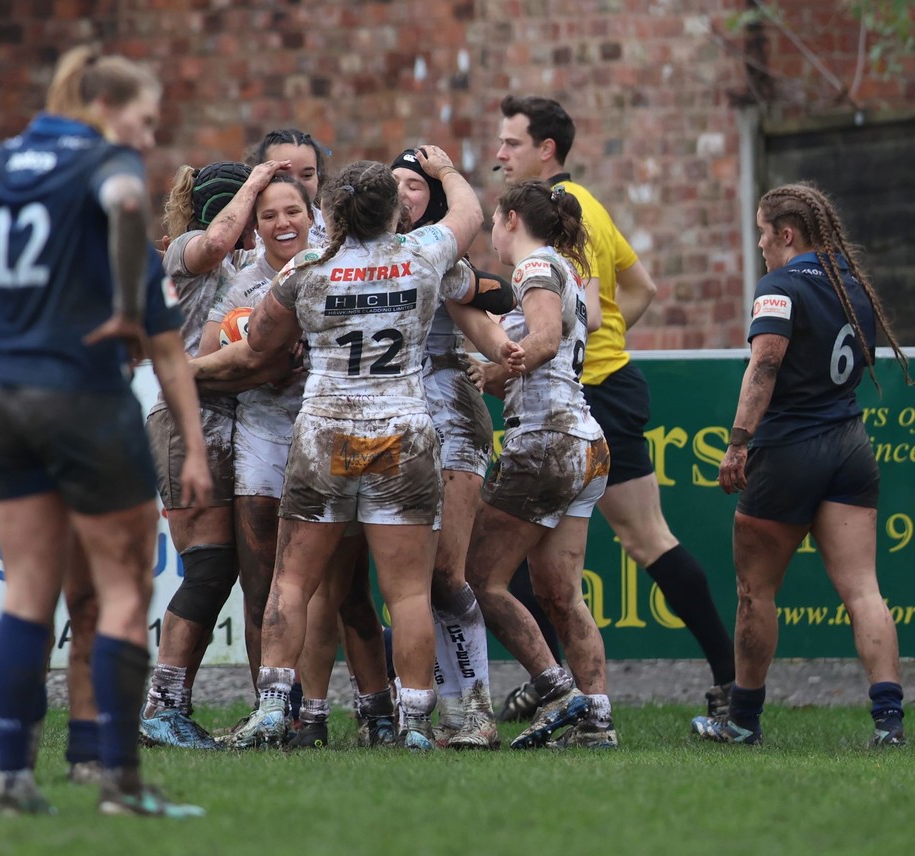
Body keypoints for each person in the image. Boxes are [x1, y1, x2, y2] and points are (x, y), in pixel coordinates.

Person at [0, 46, 208, 817]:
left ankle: (14, 777)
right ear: (106, 108)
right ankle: (122, 782)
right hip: (84, 402)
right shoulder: (101, 173)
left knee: (29, 595)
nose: (148, 141)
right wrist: (131, 306)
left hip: (9, 403)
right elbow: (136, 233)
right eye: (145, 121)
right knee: (125, 594)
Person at [192, 149, 524, 749]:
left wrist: (179, 374)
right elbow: (469, 214)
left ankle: (272, 712)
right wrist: (446, 171)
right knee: (408, 593)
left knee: (292, 582)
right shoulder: (422, 256)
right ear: (395, 211)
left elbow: (252, 353)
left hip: (325, 433)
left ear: (330, 211)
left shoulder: (304, 272)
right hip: (402, 434)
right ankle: (417, 724)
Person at [496, 95, 737, 718]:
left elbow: (592, 305)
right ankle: (729, 679)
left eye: (511, 144)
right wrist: (597, 338)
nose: (499, 155)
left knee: (514, 549)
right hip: (607, 385)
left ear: (546, 150)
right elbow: (642, 289)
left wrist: (577, 345)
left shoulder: (559, 214)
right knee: (634, 542)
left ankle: (551, 683)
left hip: (584, 395)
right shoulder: (590, 206)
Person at [691, 182, 915, 746]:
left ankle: (743, 719)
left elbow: (764, 365)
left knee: (756, 591)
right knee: (864, 589)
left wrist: (738, 442)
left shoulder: (778, 287)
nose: (762, 247)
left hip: (790, 451)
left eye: (764, 236)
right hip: (849, 445)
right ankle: (889, 724)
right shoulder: (854, 286)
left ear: (786, 234)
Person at [138, 158, 288, 749]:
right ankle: (161, 705)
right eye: (255, 210)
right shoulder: (185, 251)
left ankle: (195, 705)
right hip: (185, 423)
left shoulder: (241, 268)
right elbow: (218, 239)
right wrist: (256, 182)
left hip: (223, 421)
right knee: (207, 567)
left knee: (230, 569)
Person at [466, 180, 615, 750]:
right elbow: (541, 359)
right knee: (559, 593)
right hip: (586, 444)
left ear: (507, 219)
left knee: (478, 579)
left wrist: (501, 359)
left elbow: (546, 342)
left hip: (548, 442)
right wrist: (495, 374)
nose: (492, 238)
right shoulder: (568, 271)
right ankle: (596, 721)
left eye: (494, 224)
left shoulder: (533, 269)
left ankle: (557, 692)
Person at [387, 148, 515, 749]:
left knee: (445, 574)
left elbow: (484, 312)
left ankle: (477, 712)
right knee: (407, 580)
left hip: (450, 413)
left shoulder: (442, 255)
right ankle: (433, 709)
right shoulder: (363, 252)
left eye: (415, 185)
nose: (403, 194)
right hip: (388, 417)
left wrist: (506, 350)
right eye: (395, 185)